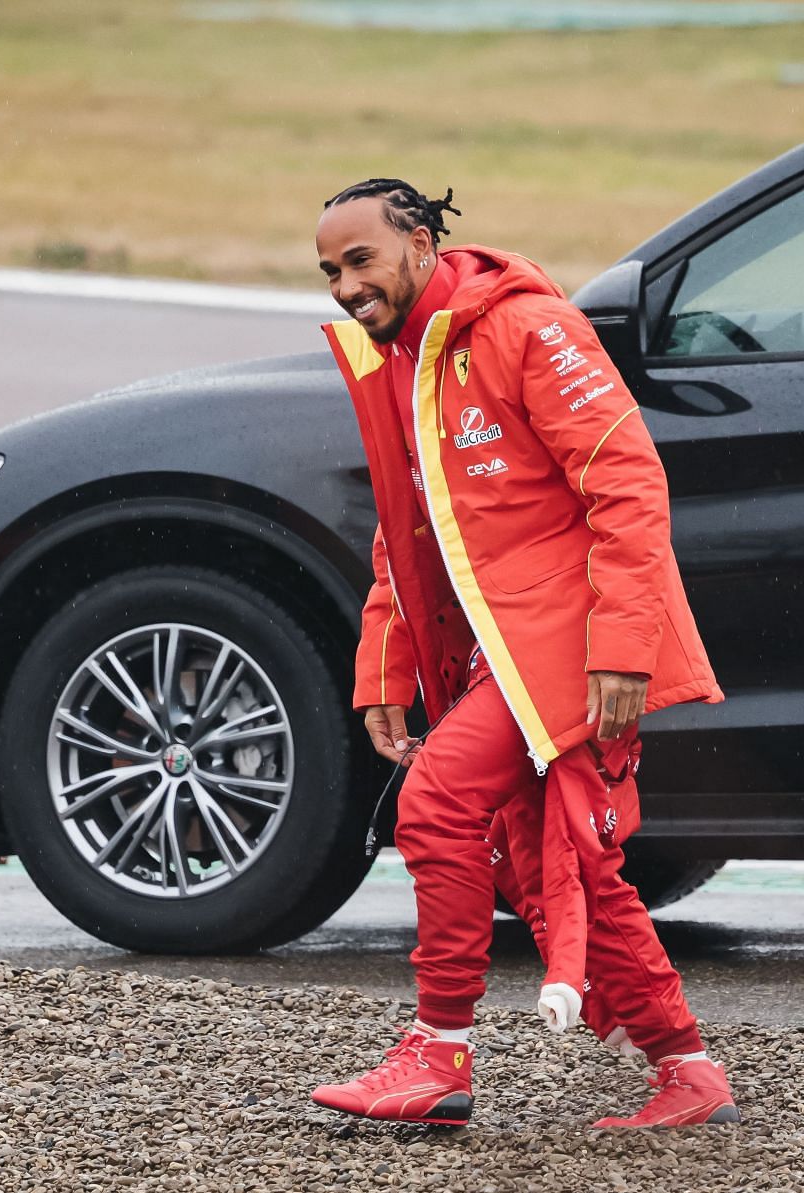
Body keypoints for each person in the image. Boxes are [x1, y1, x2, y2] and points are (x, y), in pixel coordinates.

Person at [308, 179, 738, 1128]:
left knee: (437, 801)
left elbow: (629, 485)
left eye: (361, 260)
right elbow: (406, 531)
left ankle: (438, 1054)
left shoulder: (528, 327)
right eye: (331, 270)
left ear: (420, 244)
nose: (345, 286)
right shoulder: (401, 358)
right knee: (565, 864)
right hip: (502, 646)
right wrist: (383, 667)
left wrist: (621, 650)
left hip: (572, 638)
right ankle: (689, 1071)